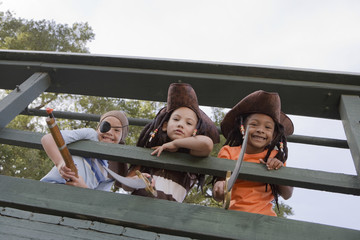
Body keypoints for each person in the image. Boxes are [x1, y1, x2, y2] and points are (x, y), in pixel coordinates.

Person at [126, 83, 220, 202]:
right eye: (176, 119)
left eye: (189, 123)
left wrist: (175, 144)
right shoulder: (150, 152)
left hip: (168, 215)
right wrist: (137, 180)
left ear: (194, 132)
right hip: (135, 207)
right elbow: (125, 185)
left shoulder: (190, 155)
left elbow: (207, 144)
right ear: (165, 125)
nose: (180, 124)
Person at [212, 90, 294, 216]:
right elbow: (218, 194)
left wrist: (277, 170)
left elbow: (287, 194)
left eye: (268, 127)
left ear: (274, 135)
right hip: (232, 215)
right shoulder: (228, 152)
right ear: (242, 128)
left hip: (265, 218)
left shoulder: (275, 156)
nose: (261, 130)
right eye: (254, 124)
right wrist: (218, 187)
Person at [40, 110, 129, 191]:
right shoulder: (91, 135)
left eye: (117, 130)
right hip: (50, 187)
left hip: (74, 202)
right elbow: (48, 139)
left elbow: (98, 197)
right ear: (98, 128)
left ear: (122, 137)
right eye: (106, 126)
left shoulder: (113, 168)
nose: (109, 132)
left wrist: (84, 188)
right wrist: (60, 163)